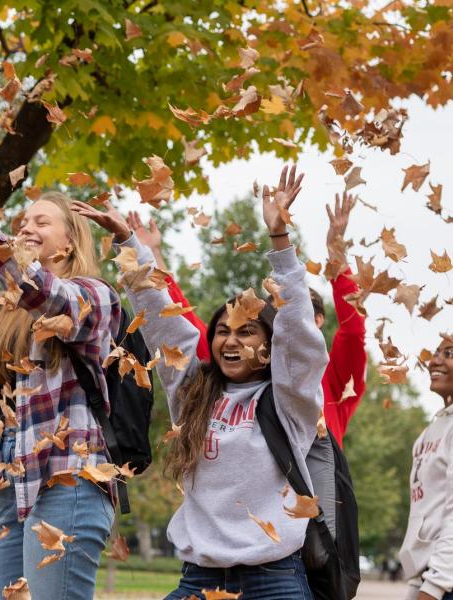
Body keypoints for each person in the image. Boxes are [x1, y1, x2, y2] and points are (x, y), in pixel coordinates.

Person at [80, 166, 326, 599]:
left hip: (274, 582)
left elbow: (301, 337)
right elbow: (162, 320)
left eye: (246, 331)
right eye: (222, 331)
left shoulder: (288, 400)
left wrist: (280, 243)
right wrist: (129, 244)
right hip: (199, 580)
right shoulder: (193, 393)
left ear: (269, 347)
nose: (230, 339)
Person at [0, 147, 120, 600]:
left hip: (68, 480)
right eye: (23, 222)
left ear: (69, 243)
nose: (26, 227)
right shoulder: (4, 307)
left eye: (41, 222)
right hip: (11, 487)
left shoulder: (95, 296)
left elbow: (44, 293)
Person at [132, 191, 368, 445]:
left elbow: (353, 331)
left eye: (298, 310)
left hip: (318, 480)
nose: (287, 318)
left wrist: (338, 259)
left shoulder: (335, 379)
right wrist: (153, 255)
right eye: (278, 310)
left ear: (318, 320)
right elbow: (185, 325)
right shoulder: (245, 364)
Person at [398, 333, 453, 600]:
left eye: (448, 354)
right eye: (435, 353)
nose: (434, 361)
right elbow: (427, 512)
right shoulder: (431, 431)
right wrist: (416, 584)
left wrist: (433, 587)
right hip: (430, 578)